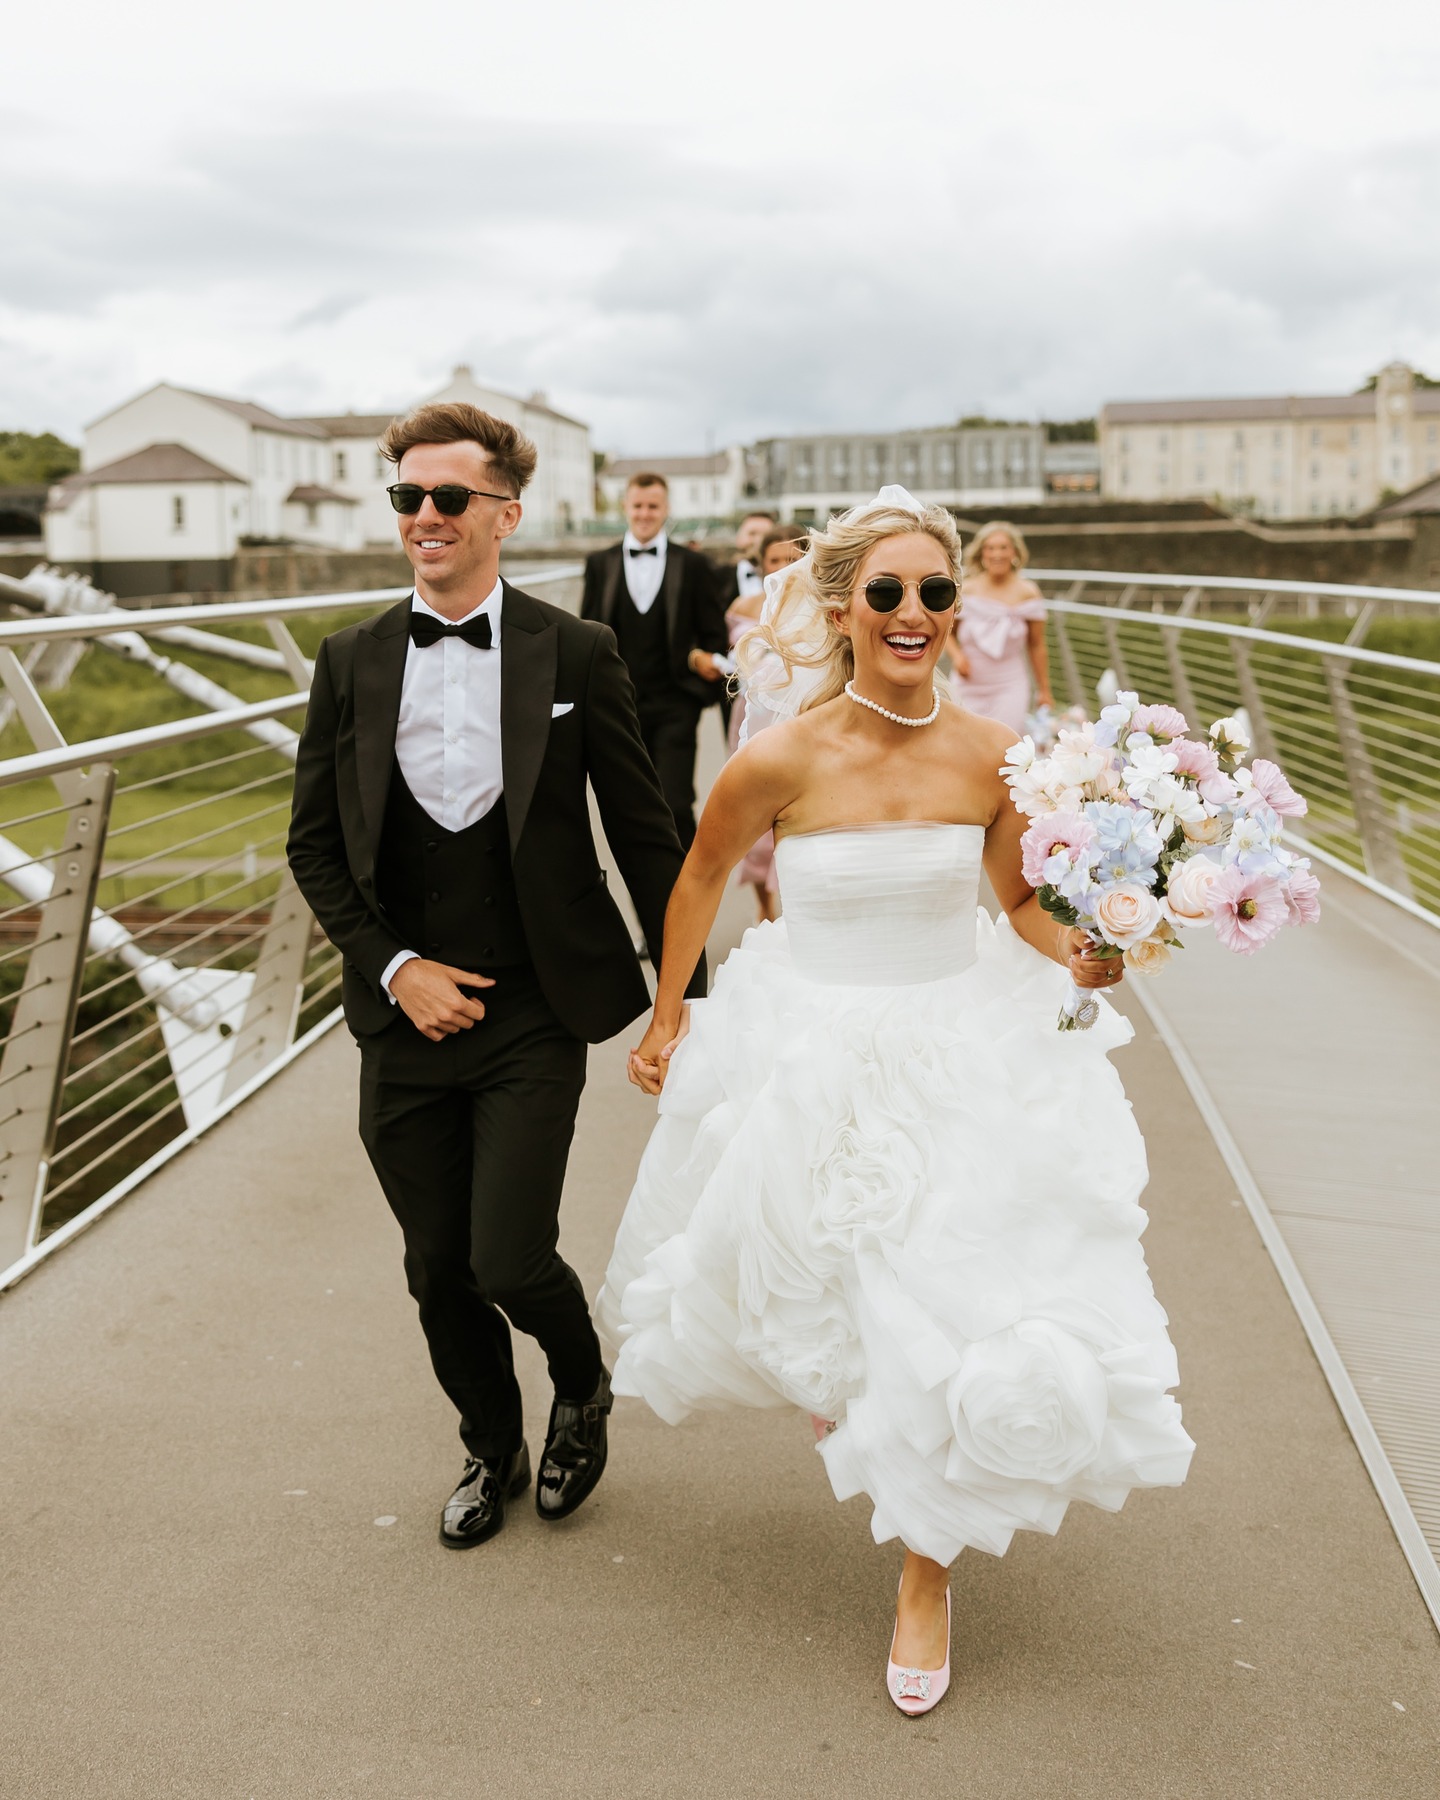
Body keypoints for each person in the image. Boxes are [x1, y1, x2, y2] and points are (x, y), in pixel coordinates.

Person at [597, 488, 1193, 1716]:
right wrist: (669, 1015)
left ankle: (927, 1573)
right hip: (808, 1045)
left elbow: (1019, 904)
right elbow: (701, 876)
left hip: (959, 1043)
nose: (914, 612)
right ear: (842, 608)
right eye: (888, 594)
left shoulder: (990, 755)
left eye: (935, 592)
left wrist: (1081, 948)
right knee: (838, 1298)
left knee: (959, 1306)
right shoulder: (779, 757)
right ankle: (858, 1407)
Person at [287, 402, 703, 1552]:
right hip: (399, 1015)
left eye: (447, 498)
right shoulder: (351, 660)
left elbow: (648, 832)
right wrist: (395, 966)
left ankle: (581, 1384)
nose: (423, 516)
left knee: (505, 1253)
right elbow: (313, 845)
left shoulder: (578, 652)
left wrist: (687, 1002)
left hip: (532, 1005)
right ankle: (490, 1444)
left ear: (505, 514)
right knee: (436, 1270)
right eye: (407, 498)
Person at [581, 473, 728, 850]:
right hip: (620, 707)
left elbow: (714, 633)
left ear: (666, 510)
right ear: (626, 508)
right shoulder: (600, 563)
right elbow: (586, 634)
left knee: (676, 804)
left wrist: (698, 685)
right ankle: (652, 901)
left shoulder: (694, 566)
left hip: (676, 702)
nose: (645, 513)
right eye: (638, 505)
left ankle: (692, 890)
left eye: (653, 506)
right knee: (630, 808)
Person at [725, 522, 807, 922]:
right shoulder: (741, 609)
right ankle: (763, 904)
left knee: (801, 814)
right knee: (755, 820)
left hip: (804, 716)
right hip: (751, 717)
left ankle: (800, 906)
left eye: (792, 559)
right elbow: (728, 660)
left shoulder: (823, 607)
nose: (782, 566)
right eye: (775, 560)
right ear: (761, 565)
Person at [948, 520, 1053, 732]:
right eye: (990, 548)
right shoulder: (966, 590)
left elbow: (1036, 645)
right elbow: (945, 634)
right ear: (982, 553)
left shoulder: (1028, 592)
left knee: (1007, 747)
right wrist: (958, 657)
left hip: (1010, 686)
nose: (997, 554)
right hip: (967, 685)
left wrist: (1044, 690)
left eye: (1003, 547)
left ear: (1014, 552)